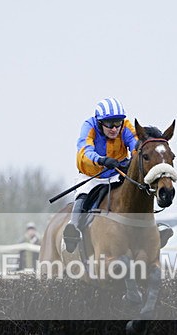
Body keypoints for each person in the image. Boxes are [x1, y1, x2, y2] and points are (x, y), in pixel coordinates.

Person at [64, 97, 138, 252]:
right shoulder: (89, 126)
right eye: (109, 124)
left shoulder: (125, 127)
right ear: (99, 122)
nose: (114, 128)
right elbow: (85, 150)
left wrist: (132, 160)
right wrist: (101, 160)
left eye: (118, 123)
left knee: (136, 192)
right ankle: (73, 229)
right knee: (83, 194)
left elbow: (135, 142)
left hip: (117, 174)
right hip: (92, 176)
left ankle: (149, 228)